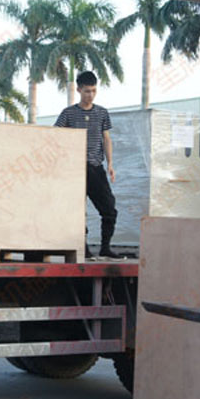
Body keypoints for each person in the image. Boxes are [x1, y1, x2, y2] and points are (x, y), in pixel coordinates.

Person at [54, 71, 119, 259]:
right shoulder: (68, 113)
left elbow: (106, 139)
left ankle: (105, 246)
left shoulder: (102, 113)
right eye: (86, 91)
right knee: (77, 210)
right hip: (74, 169)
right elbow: (55, 136)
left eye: (93, 91)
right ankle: (82, 248)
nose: (90, 95)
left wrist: (110, 164)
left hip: (95, 168)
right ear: (78, 90)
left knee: (109, 208)